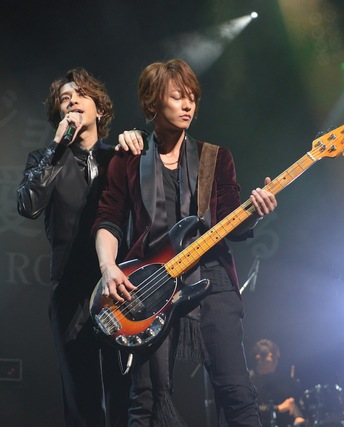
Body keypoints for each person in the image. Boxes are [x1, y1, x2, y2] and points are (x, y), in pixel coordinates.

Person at [93, 59, 278, 426]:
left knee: (237, 392)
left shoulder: (216, 157)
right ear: (152, 103)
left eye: (192, 97)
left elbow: (232, 222)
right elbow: (109, 219)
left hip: (212, 279)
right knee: (146, 399)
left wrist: (255, 212)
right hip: (149, 284)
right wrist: (108, 267)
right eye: (177, 97)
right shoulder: (128, 159)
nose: (188, 105)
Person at [17, 67, 143, 427]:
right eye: (64, 99)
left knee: (126, 395)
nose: (72, 102)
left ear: (99, 109)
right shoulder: (45, 159)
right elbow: (28, 205)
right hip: (71, 292)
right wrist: (57, 147)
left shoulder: (120, 157)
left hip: (121, 288)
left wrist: (140, 140)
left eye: (81, 95)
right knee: (82, 400)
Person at [249, 339, 307, 427]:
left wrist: (297, 416)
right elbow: (248, 408)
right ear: (259, 358)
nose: (276, 361)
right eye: (272, 357)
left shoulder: (277, 381)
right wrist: (277, 408)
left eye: (277, 358)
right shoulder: (247, 380)